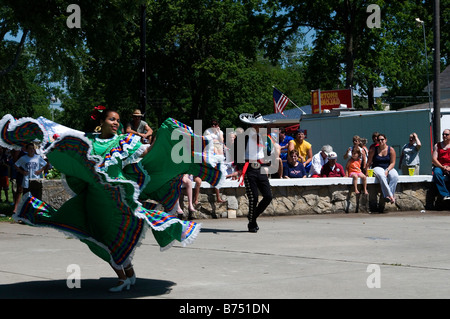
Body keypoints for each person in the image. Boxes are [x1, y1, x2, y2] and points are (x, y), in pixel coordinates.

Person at [0, 110, 224, 292]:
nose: (116, 123)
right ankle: (126, 276)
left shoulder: (126, 141)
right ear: (102, 122)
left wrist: (164, 142)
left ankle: (126, 277)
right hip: (95, 199)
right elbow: (59, 132)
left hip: (118, 198)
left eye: (118, 120)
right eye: (111, 119)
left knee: (114, 236)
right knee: (97, 237)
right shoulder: (88, 139)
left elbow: (147, 154)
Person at [235, 112, 273, 233]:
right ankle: (252, 223)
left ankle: (252, 217)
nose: (260, 127)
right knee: (254, 197)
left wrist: (267, 160)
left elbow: (262, 152)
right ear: (252, 124)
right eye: (258, 125)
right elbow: (236, 152)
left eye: (261, 125)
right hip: (249, 168)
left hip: (260, 167)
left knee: (268, 196)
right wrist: (240, 167)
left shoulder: (262, 136)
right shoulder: (243, 137)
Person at [366, 133, 398, 204]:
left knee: (395, 176)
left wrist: (387, 170)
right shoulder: (373, 150)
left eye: (382, 139)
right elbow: (368, 163)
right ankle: (389, 196)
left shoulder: (391, 150)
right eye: (379, 140)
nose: (380, 141)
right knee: (382, 175)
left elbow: (393, 163)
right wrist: (367, 173)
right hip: (377, 167)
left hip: (388, 167)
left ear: (385, 140)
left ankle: (389, 196)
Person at [431, 129, 450, 200]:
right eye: (443, 134)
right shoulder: (437, 145)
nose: (444, 136)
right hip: (440, 166)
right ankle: (445, 194)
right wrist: (442, 167)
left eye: (446, 134)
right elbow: (434, 159)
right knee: (436, 173)